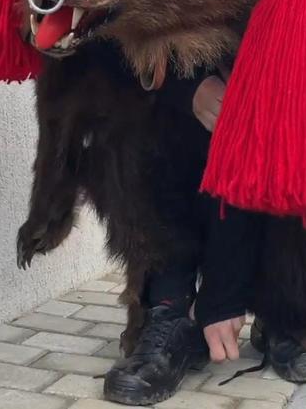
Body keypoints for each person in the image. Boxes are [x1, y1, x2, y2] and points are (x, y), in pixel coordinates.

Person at [101, 63, 269, 405]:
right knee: (151, 129)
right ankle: (168, 307)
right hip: (170, 91)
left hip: (277, 83)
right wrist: (185, 86)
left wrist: (224, 291)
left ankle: (293, 312)